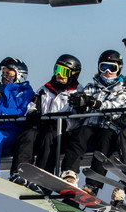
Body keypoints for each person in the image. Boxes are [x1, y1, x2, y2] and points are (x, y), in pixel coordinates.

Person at [63, 50, 126, 192]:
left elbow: (116, 108)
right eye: (104, 67)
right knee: (79, 134)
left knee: (105, 142)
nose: (107, 72)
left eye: (112, 68)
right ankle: (69, 173)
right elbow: (80, 109)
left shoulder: (125, 90)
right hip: (90, 125)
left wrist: (95, 103)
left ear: (119, 69)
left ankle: (93, 184)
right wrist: (80, 105)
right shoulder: (91, 87)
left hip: (111, 127)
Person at [11, 54, 82, 182]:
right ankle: (19, 172)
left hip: (62, 133)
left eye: (64, 72)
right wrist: (33, 114)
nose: (59, 74)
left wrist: (65, 124)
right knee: (28, 134)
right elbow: (33, 105)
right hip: (43, 128)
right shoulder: (45, 89)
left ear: (73, 74)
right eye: (57, 69)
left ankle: (43, 178)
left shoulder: (76, 92)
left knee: (49, 135)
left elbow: (79, 118)